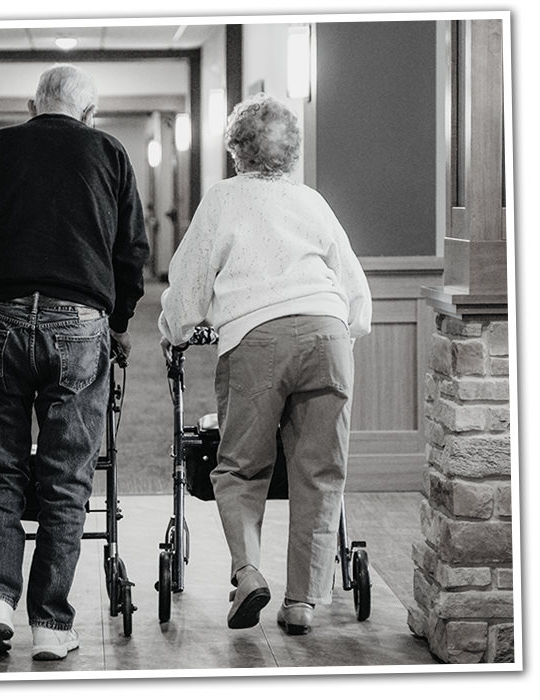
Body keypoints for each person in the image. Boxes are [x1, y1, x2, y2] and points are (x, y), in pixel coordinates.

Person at [0, 63, 150, 660]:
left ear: (33, 106)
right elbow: (132, 251)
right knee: (66, 478)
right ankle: (51, 625)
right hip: (78, 325)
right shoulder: (109, 151)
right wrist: (121, 323)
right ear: (89, 113)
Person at [158, 93, 372, 635]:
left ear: (236, 150)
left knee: (241, 466)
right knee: (320, 473)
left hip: (256, 339)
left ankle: (249, 572)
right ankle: (301, 602)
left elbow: (187, 284)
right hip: (329, 335)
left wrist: (177, 332)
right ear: (292, 152)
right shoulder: (312, 201)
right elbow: (355, 294)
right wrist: (342, 330)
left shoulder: (224, 200)